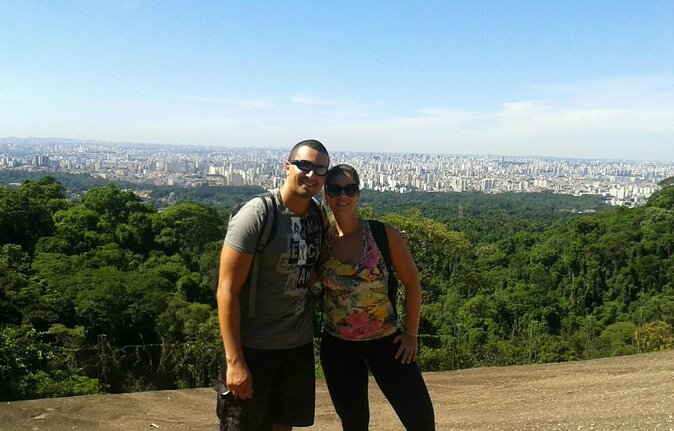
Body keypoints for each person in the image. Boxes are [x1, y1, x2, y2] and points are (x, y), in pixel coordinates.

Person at [216, 139, 329, 431]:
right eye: (304, 165)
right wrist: (234, 361)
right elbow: (227, 289)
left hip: (297, 346)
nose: (312, 174)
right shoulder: (258, 214)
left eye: (320, 169)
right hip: (254, 347)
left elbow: (312, 272)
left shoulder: (317, 215)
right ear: (287, 166)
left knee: (283, 426)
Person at [318, 164, 435, 431]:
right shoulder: (321, 240)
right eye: (335, 189)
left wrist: (411, 334)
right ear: (326, 196)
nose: (342, 196)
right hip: (338, 346)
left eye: (350, 189)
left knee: (420, 419)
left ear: (358, 195)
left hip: (387, 341)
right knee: (354, 423)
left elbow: (412, 284)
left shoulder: (382, 234)